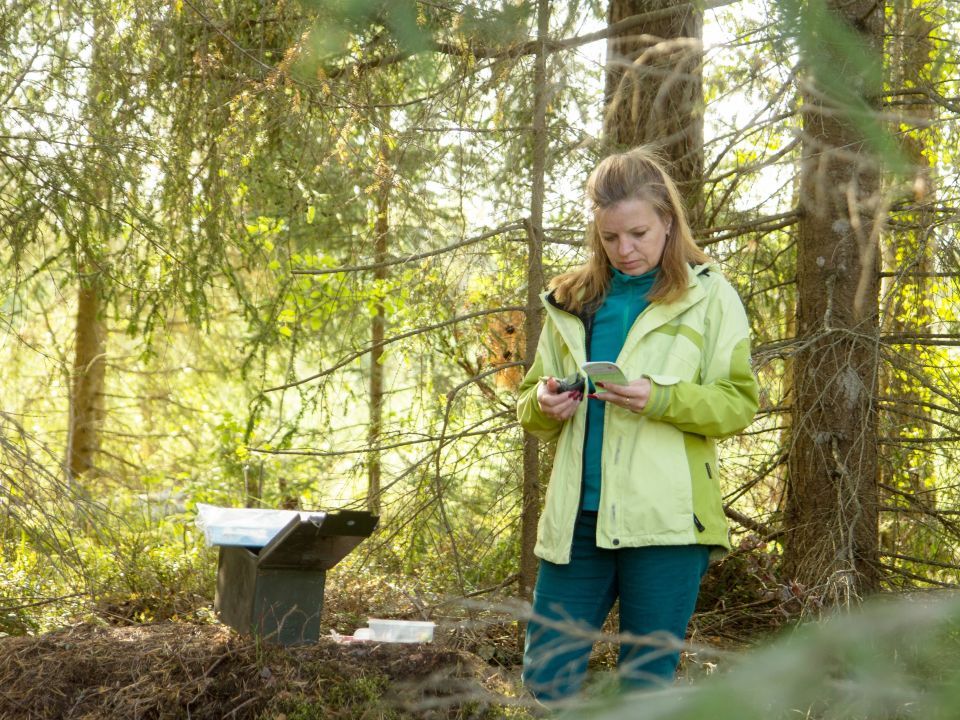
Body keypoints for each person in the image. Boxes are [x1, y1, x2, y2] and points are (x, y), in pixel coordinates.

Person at [517, 147, 759, 702]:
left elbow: (738, 403)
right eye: (610, 237)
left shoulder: (709, 295)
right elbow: (533, 402)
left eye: (639, 233)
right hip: (579, 520)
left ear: (668, 222)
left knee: (643, 691)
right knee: (545, 678)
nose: (624, 250)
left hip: (667, 525)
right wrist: (544, 402)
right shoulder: (572, 300)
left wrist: (661, 398)